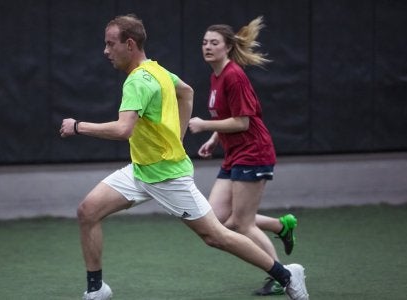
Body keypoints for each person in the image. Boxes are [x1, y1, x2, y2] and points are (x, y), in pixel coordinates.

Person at [60, 14, 308, 300]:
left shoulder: (137, 82)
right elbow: (187, 92)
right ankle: (96, 289)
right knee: (87, 210)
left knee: (217, 236)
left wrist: (78, 126)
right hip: (141, 170)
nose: (105, 51)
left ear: (129, 44)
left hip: (168, 176)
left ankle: (287, 275)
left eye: (110, 44)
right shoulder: (158, 71)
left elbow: (123, 129)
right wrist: (177, 134)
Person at [188, 17, 300, 296]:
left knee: (241, 224)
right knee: (216, 219)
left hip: (254, 153)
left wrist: (204, 125)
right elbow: (228, 116)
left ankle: (280, 275)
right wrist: (214, 139)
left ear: (227, 47)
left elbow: (242, 122)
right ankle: (280, 225)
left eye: (214, 43)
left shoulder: (234, 75)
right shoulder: (216, 77)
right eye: (204, 42)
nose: (208, 47)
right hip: (234, 154)